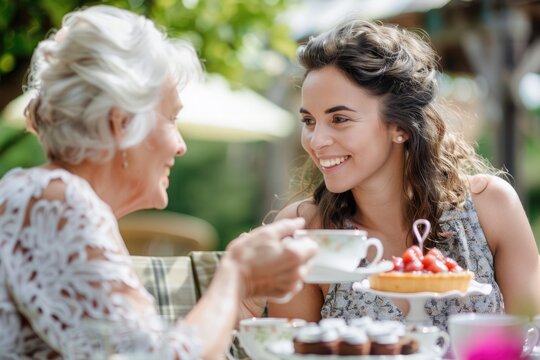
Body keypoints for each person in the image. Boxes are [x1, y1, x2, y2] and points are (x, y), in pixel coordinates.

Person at [0, 5, 318, 359]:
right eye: (171, 117)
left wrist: (238, 298)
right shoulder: (54, 203)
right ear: (120, 123)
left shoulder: (57, 201)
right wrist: (236, 273)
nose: (180, 145)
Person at [268, 19, 540, 331]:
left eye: (340, 119)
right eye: (309, 121)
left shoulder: (491, 206)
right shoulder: (304, 234)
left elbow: (531, 338)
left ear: (399, 126)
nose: (316, 141)